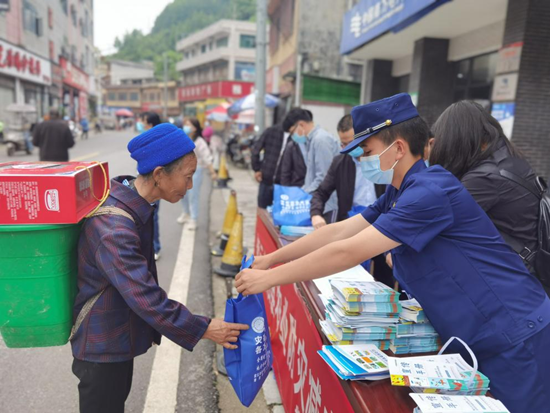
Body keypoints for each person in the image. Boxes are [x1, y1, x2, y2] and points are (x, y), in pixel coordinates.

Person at [235, 93, 550, 413]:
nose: (360, 160)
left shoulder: (430, 192)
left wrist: (269, 279)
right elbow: (340, 230)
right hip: (479, 335)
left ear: (398, 148)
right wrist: (271, 259)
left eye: (366, 151)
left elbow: (346, 251)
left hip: (514, 332)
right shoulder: (401, 192)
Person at [71, 123, 248, 413]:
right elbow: (146, 297)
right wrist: (204, 327)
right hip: (100, 348)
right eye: (187, 177)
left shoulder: (131, 203)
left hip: (114, 339)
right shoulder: (114, 228)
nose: (190, 186)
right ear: (159, 175)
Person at [430, 101, 542, 287]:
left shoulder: (485, 177)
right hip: (525, 267)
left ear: (457, 138)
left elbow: (439, 224)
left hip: (515, 279)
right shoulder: (509, 157)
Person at [310, 114, 392, 287]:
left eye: (350, 142)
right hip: (353, 225)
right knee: (351, 280)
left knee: (385, 280)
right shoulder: (340, 162)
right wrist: (316, 214)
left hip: (382, 225)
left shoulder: (384, 160)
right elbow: (321, 192)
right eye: (343, 143)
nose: (347, 147)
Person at [282, 108, 340, 216]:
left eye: (292, 132)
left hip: (328, 205)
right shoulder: (312, 140)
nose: (292, 136)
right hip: (319, 204)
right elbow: (311, 178)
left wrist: (302, 194)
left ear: (301, 125)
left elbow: (323, 178)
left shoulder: (320, 140)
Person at [177, 117, 217, 229]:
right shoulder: (183, 139)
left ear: (195, 128)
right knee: (181, 193)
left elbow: (207, 157)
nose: (186, 126)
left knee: (193, 195)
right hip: (181, 171)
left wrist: (212, 172)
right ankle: (186, 213)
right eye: (186, 124)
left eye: (189, 124)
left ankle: (193, 218)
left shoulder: (199, 142)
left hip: (196, 171)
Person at [141, 112, 163, 260]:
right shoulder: (148, 139)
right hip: (146, 182)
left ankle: (156, 247)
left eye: (145, 122)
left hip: (155, 183)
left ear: (151, 124)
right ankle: (147, 247)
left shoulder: (158, 141)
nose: (143, 125)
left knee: (152, 216)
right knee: (146, 216)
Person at [251, 123, 285, 209]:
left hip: (270, 177)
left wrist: (257, 169)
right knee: (275, 214)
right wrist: (257, 169)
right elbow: (256, 151)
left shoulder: (270, 130)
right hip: (273, 180)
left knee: (263, 212)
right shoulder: (272, 131)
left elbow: (255, 150)